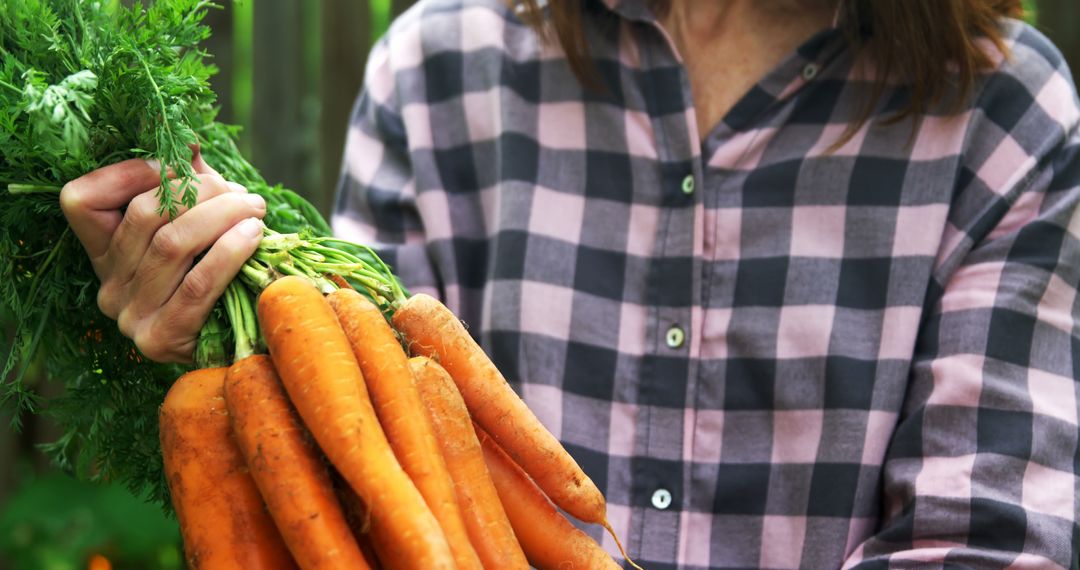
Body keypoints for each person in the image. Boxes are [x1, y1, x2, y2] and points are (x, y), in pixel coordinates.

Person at [60, 0, 1080, 567]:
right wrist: (211, 324)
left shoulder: (1000, 115)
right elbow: (343, 480)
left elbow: (986, 548)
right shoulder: (436, 72)